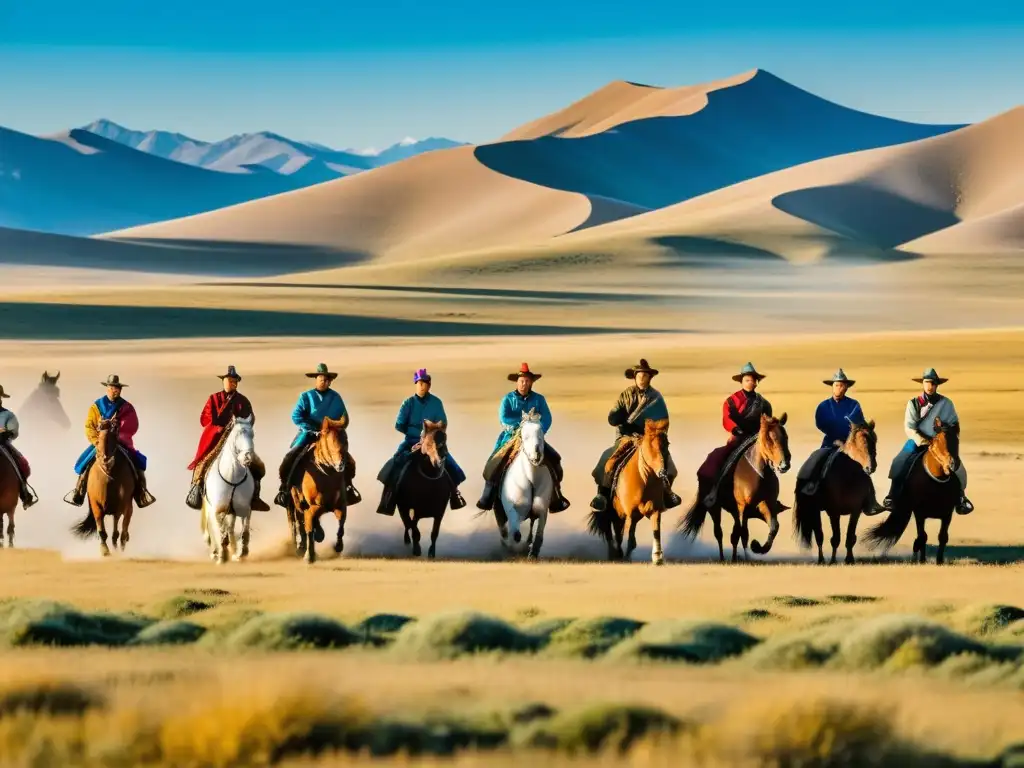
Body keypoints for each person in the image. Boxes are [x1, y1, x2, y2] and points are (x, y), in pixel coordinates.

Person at [589, 359, 681, 513]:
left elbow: (664, 420)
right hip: (627, 436)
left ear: (649, 378)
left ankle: (666, 494)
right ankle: (603, 494)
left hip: (650, 438)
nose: (641, 379)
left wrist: (652, 433)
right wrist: (616, 418)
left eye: (645, 376)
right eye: (639, 376)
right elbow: (614, 415)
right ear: (635, 377)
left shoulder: (656, 397)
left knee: (670, 467)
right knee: (608, 458)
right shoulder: (626, 394)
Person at [476, 363, 570, 512]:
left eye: (527, 381)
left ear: (531, 382)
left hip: (533, 438)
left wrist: (538, 431)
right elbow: (503, 418)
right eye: (521, 381)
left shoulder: (539, 399)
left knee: (555, 459)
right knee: (494, 462)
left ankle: (556, 496)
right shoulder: (507, 399)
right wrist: (520, 428)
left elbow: (547, 418)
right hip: (510, 438)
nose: (524, 384)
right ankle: (488, 496)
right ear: (517, 382)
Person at [881, 368, 973, 514]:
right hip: (919, 440)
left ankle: (961, 498)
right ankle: (892, 496)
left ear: (937, 385)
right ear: (922, 384)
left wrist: (944, 431)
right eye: (927, 383)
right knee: (899, 461)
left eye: (933, 383)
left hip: (940, 441)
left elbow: (954, 423)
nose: (930, 386)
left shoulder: (946, 404)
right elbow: (909, 427)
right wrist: (923, 440)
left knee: (958, 467)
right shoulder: (914, 403)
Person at [376, 368, 467, 515]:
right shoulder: (408, 403)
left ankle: (455, 494)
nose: (422, 386)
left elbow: (443, 423)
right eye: (419, 383)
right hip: (412, 440)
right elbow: (399, 424)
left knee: (449, 463)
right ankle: (388, 499)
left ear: (429, 385)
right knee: (396, 463)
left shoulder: (437, 402)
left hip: (433, 440)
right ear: (415, 385)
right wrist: (415, 434)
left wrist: (431, 434)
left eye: (425, 383)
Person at [275, 363, 359, 507]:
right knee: (291, 457)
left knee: (348, 460)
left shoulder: (336, 397)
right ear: (316, 379)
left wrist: (336, 427)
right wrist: (311, 429)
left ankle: (348, 488)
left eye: (326, 379)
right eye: (321, 378)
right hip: (309, 434)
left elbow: (344, 417)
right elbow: (296, 416)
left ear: (330, 381)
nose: (323, 381)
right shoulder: (306, 396)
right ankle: (285, 490)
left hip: (331, 436)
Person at [185, 366, 269, 511]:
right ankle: (196, 490)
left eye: (235, 381)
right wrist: (219, 428)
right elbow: (205, 419)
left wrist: (241, 427)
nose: (232, 383)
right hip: (215, 438)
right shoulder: (213, 398)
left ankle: (255, 496)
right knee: (203, 463)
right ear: (223, 381)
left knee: (257, 466)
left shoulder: (243, 400)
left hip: (236, 439)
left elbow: (250, 418)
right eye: (229, 380)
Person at [66, 375, 155, 508]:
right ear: (107, 388)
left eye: (118, 388)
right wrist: (97, 441)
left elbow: (132, 424)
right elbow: (89, 427)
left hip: (120, 441)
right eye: (113, 388)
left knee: (138, 463)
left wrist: (118, 429)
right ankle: (79, 491)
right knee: (84, 464)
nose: (115, 391)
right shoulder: (96, 407)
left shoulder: (126, 407)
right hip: (100, 443)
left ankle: (141, 493)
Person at [695, 362, 773, 505]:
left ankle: (771, 495)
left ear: (757, 383)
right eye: (747, 380)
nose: (750, 382)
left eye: (753, 380)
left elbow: (768, 421)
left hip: (757, 438)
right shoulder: (731, 401)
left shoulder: (764, 403)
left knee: (772, 459)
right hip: (739, 437)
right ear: (741, 382)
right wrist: (734, 428)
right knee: (723, 459)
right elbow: (726, 418)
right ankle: (714, 490)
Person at [796, 369, 865, 493]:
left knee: (864, 465)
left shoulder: (854, 405)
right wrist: (836, 435)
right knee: (817, 460)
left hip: (851, 443)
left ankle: (869, 498)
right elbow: (820, 423)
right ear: (832, 387)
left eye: (842, 386)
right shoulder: (823, 406)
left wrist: (849, 439)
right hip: (830, 442)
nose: (839, 388)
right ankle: (812, 488)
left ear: (846, 388)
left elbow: (858, 423)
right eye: (836, 385)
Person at [0, 385, 37, 509]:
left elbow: (13, 431)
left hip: (2, 444)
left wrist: (6, 433)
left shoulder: (7, 415)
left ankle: (24, 493)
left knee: (19, 463)